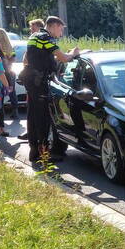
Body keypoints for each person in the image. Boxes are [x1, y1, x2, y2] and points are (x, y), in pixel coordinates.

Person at [20, 15, 80, 163]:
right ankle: (44, 155)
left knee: (32, 117)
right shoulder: (46, 38)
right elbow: (64, 58)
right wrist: (74, 53)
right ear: (53, 25)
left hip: (31, 80)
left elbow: (26, 59)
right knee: (43, 119)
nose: (61, 32)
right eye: (61, 29)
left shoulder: (35, 36)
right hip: (38, 83)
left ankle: (34, 153)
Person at [0, 28, 17, 135]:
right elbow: (13, 56)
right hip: (9, 70)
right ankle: (15, 111)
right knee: (12, 92)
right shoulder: (9, 44)